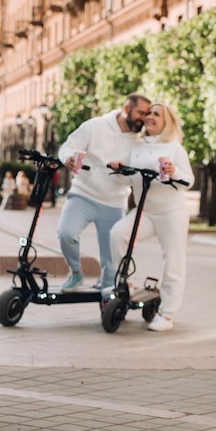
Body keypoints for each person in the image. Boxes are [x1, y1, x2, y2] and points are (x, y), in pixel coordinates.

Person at [109, 102, 194, 332]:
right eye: (148, 113)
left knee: (174, 261)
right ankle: (126, 286)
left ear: (167, 121)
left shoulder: (175, 147)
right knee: (117, 234)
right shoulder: (137, 145)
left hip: (171, 212)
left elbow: (188, 180)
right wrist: (120, 169)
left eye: (156, 114)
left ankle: (167, 315)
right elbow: (127, 178)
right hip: (145, 211)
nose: (149, 117)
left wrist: (173, 171)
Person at [57, 93, 151, 292]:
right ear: (126, 109)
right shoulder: (95, 126)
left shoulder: (140, 142)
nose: (144, 118)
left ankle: (109, 304)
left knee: (111, 260)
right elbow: (68, 146)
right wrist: (67, 158)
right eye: (141, 112)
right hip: (83, 194)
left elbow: (136, 176)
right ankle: (76, 273)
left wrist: (124, 170)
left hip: (114, 202)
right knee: (66, 234)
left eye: (147, 114)